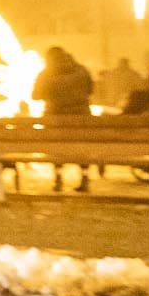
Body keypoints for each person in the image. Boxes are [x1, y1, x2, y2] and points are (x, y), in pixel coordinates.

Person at [33, 46, 95, 191]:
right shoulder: (82, 70)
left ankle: (58, 178)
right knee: (83, 145)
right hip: (82, 119)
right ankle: (85, 177)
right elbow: (90, 90)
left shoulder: (46, 74)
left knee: (55, 144)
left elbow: (35, 95)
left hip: (56, 120)